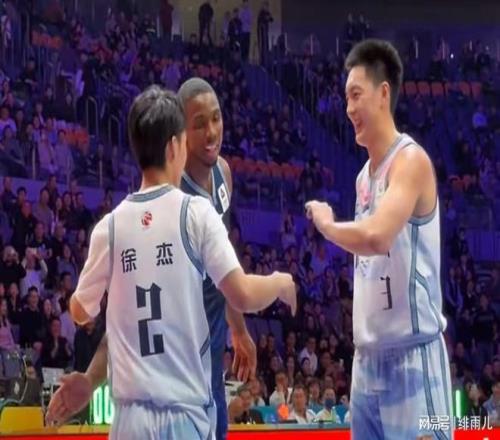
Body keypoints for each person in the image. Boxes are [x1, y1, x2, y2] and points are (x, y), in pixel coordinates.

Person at [48, 86, 296, 439]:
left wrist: (87, 366)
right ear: (175, 146)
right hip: (183, 416)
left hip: (129, 420)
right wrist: (280, 282)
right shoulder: (196, 213)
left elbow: (80, 313)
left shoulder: (109, 228)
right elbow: (242, 294)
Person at [306, 39, 452, 440]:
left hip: (413, 359)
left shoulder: (411, 161)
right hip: (366, 363)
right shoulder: (361, 178)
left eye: (356, 95)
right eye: (346, 98)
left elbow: (377, 236)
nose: (348, 108)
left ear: (383, 93)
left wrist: (327, 225)